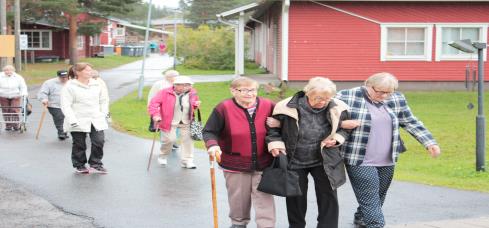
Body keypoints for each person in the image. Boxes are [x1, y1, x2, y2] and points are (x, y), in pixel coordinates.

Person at [335, 72, 441, 228]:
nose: (384, 96)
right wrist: (342, 124)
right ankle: (376, 224)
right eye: (380, 92)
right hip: (358, 157)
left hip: (387, 157)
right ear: (368, 85)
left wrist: (429, 142)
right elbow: (325, 116)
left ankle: (361, 217)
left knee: (379, 194)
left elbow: (410, 122)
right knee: (369, 196)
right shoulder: (346, 96)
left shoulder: (397, 98)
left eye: (388, 92)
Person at [266, 77, 350, 228]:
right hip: (294, 158)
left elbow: (345, 129)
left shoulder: (339, 107)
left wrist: (337, 139)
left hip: (324, 159)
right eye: (318, 98)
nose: (322, 102)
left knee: (328, 196)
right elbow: (273, 130)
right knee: (295, 197)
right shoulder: (285, 107)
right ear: (307, 93)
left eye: (326, 98)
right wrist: (275, 145)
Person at [203, 77, 276, 228]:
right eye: (244, 90)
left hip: (264, 162)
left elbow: (286, 122)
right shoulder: (224, 108)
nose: (249, 94)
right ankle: (238, 224)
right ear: (233, 91)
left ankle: (266, 226)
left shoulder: (269, 105)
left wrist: (279, 122)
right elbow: (209, 131)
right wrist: (212, 146)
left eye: (253, 90)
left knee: (264, 198)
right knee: (238, 198)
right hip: (234, 163)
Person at [61, 63, 110, 174]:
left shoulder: (97, 84)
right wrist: (72, 120)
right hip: (78, 119)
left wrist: (103, 113)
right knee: (79, 144)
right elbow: (66, 105)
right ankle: (79, 164)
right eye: (87, 70)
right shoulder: (70, 86)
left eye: (91, 70)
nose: (90, 72)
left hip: (96, 118)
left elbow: (104, 100)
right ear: (78, 72)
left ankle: (96, 163)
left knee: (99, 141)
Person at [148, 76, 201, 169]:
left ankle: (187, 161)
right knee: (170, 140)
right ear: (175, 85)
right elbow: (153, 104)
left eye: (188, 85)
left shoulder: (192, 92)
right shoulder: (165, 92)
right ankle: (163, 155)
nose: (185, 87)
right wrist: (156, 115)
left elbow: (193, 103)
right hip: (169, 121)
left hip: (186, 121)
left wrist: (195, 105)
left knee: (188, 141)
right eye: (182, 85)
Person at [147, 70, 180, 155]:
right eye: (175, 76)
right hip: (163, 110)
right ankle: (165, 143)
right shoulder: (159, 84)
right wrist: (153, 109)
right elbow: (152, 96)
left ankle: (173, 141)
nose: (177, 77)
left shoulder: (178, 84)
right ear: (169, 77)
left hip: (177, 110)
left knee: (176, 126)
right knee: (164, 127)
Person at [37, 70, 70, 139]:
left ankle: (65, 131)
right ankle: (61, 132)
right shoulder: (49, 83)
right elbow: (42, 93)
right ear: (58, 77)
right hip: (54, 105)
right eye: (62, 77)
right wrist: (44, 99)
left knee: (67, 118)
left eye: (66, 77)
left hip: (69, 104)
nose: (64, 79)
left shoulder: (71, 82)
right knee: (59, 117)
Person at [0, 65, 28, 131]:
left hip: (15, 95)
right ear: (4, 71)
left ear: (13, 71)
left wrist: (24, 93)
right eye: (6, 70)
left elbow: (23, 86)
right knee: (6, 111)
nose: (8, 71)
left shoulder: (18, 77)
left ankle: (16, 125)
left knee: (14, 110)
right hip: (3, 95)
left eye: (10, 70)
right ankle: (8, 125)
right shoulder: (0, 76)